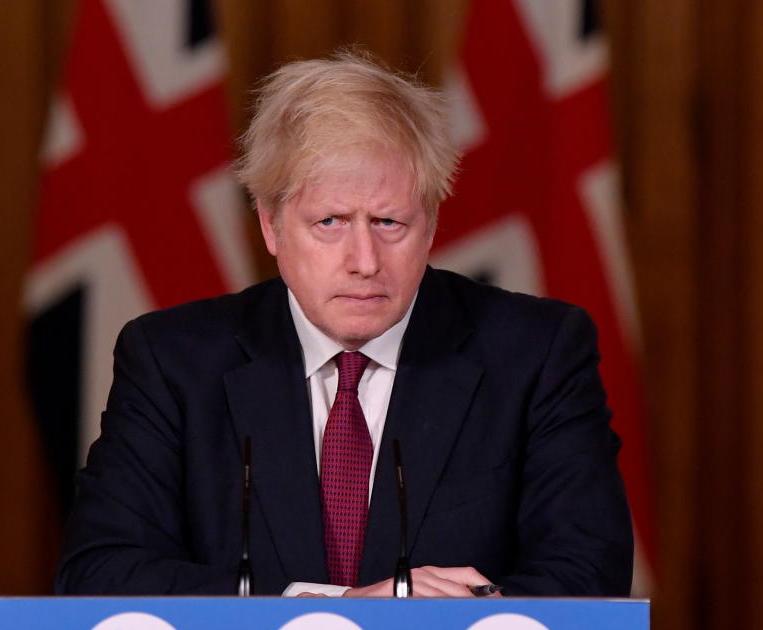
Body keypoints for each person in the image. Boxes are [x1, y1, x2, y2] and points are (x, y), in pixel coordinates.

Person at [56, 52, 633, 602]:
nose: (364, 259)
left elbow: (588, 574)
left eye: (389, 222)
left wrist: (446, 614)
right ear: (271, 227)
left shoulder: (536, 352)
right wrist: (327, 608)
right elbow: (101, 569)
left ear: (429, 224)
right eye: (329, 222)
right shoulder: (173, 361)